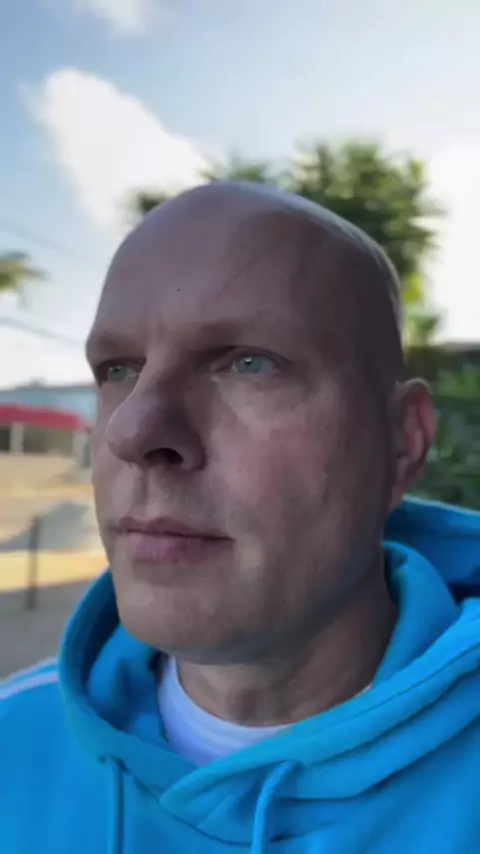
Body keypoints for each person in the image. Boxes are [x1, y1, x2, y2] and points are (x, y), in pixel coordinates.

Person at [1, 182, 480, 854]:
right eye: (118, 370)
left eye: (250, 363)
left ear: (402, 443)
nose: (133, 430)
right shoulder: (13, 744)